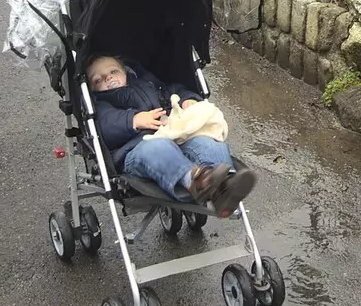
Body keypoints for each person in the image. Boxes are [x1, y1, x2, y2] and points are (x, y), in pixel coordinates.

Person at [87, 54, 257, 217]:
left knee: (206, 142)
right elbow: (106, 124)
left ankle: (225, 184)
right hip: (138, 150)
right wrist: (134, 120)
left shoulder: (148, 83)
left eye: (113, 71)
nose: (107, 78)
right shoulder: (101, 103)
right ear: (92, 89)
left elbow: (174, 91)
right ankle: (198, 181)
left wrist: (187, 99)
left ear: (126, 71)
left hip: (176, 136)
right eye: (98, 80)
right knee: (158, 147)